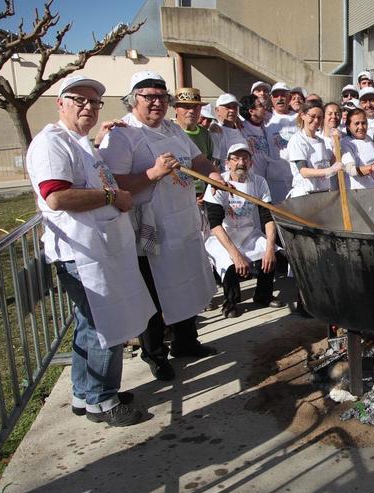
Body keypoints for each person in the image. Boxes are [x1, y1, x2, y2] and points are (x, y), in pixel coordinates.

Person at [27, 75, 152, 426]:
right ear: (60, 103)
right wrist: (114, 197)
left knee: (89, 323)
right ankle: (103, 401)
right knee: (104, 325)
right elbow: (57, 196)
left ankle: (85, 394)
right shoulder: (52, 143)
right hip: (81, 253)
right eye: (78, 100)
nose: (88, 107)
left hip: (100, 249)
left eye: (95, 102)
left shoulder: (81, 141)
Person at [100, 70, 220, 382]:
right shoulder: (122, 135)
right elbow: (112, 183)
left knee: (186, 281)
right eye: (149, 97)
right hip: (149, 228)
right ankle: (154, 354)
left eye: (161, 97)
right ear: (133, 99)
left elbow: (197, 161)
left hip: (182, 220)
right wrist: (152, 174)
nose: (156, 103)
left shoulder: (174, 129)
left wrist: (215, 174)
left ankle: (186, 341)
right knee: (153, 293)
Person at [204, 143, 283, 318]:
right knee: (230, 262)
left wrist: (270, 248)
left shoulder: (259, 182)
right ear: (228, 163)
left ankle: (263, 295)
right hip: (222, 235)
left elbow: (268, 217)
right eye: (236, 158)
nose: (241, 162)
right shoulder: (217, 184)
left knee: (273, 253)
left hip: (248, 233)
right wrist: (236, 254)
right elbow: (215, 224)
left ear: (251, 162)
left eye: (245, 158)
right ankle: (230, 303)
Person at [239, 94, 292, 203]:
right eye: (260, 106)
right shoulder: (242, 128)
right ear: (251, 111)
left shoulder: (265, 126)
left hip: (265, 182)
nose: (264, 108)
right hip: (249, 182)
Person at [287, 99, 340, 197]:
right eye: (312, 116)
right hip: (305, 194)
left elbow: (330, 164)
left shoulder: (321, 141)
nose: (316, 121)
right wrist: (328, 171)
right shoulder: (297, 139)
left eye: (319, 118)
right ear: (303, 115)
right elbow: (303, 171)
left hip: (322, 193)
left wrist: (336, 145)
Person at [172, 88, 214, 197]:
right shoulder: (168, 132)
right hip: (175, 194)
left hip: (202, 195)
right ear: (176, 108)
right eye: (186, 107)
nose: (191, 111)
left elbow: (208, 163)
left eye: (195, 107)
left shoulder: (205, 134)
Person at [265, 82, 299, 201]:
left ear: (289, 97)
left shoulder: (299, 117)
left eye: (283, 95)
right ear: (271, 99)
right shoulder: (266, 118)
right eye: (276, 95)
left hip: (297, 176)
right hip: (276, 178)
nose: (279, 98)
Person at [341, 108, 374, 189]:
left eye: (363, 123)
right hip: (359, 192)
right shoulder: (346, 143)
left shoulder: (368, 138)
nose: (361, 127)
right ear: (348, 126)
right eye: (356, 124)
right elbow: (351, 170)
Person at [212, 93, 248, 165]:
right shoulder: (216, 131)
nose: (232, 110)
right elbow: (215, 161)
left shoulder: (242, 128)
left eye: (234, 107)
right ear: (217, 110)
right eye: (227, 107)